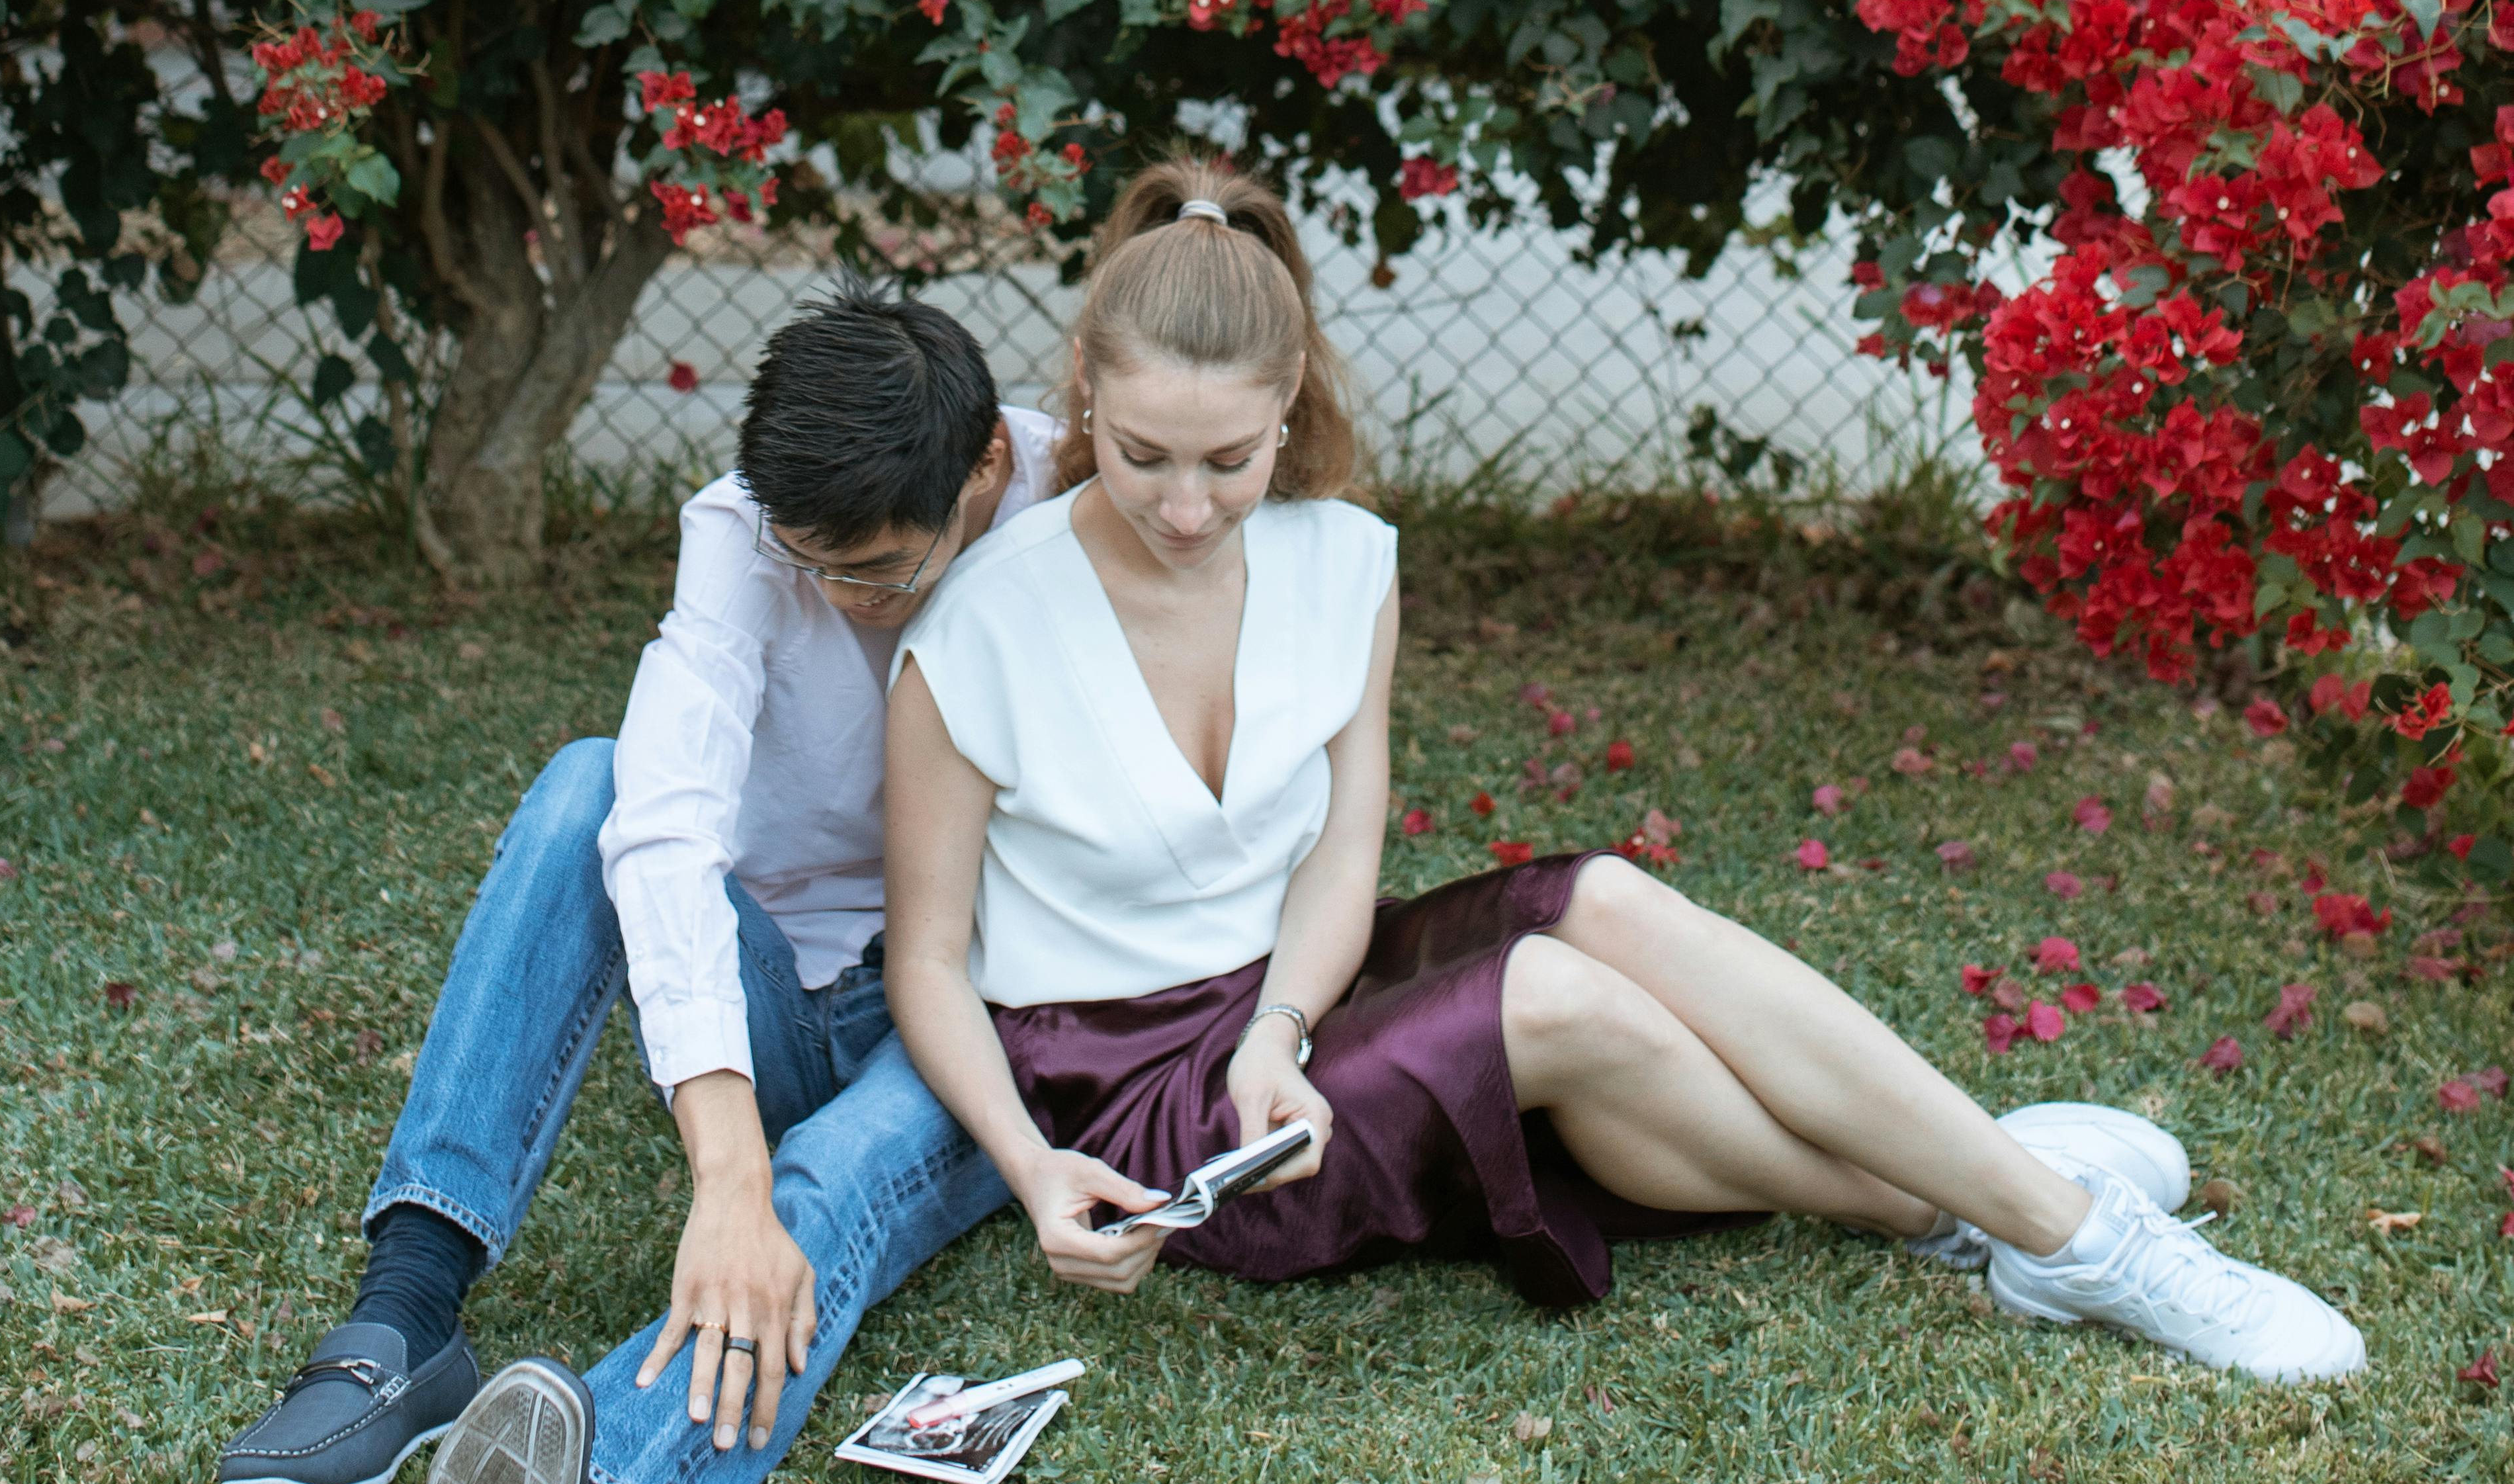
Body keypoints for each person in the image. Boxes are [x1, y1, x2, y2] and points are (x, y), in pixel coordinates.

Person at [882, 154, 2367, 1389]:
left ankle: (2024, 1217)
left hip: (1291, 993)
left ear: (1288, 409)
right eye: (1144, 455)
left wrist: (1280, 1021)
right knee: (1546, 996)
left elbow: (1341, 860)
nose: (1189, 505)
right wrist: (1030, 1171)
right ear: (1082, 386)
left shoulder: (1345, 562)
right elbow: (933, 962)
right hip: (1136, 1087)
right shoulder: (984, 623)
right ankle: (2024, 1219)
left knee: (1598, 901)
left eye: (1231, 459)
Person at [216, 279, 1056, 1484]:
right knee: (587, 785)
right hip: (785, 983)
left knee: (834, 1175)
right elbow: (664, 822)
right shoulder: (741, 537)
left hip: (968, 1023)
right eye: (816, 563)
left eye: (884, 569)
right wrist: (720, 1170)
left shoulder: (1062, 505)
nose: (846, 596)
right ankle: (408, 1306)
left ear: (980, 472)